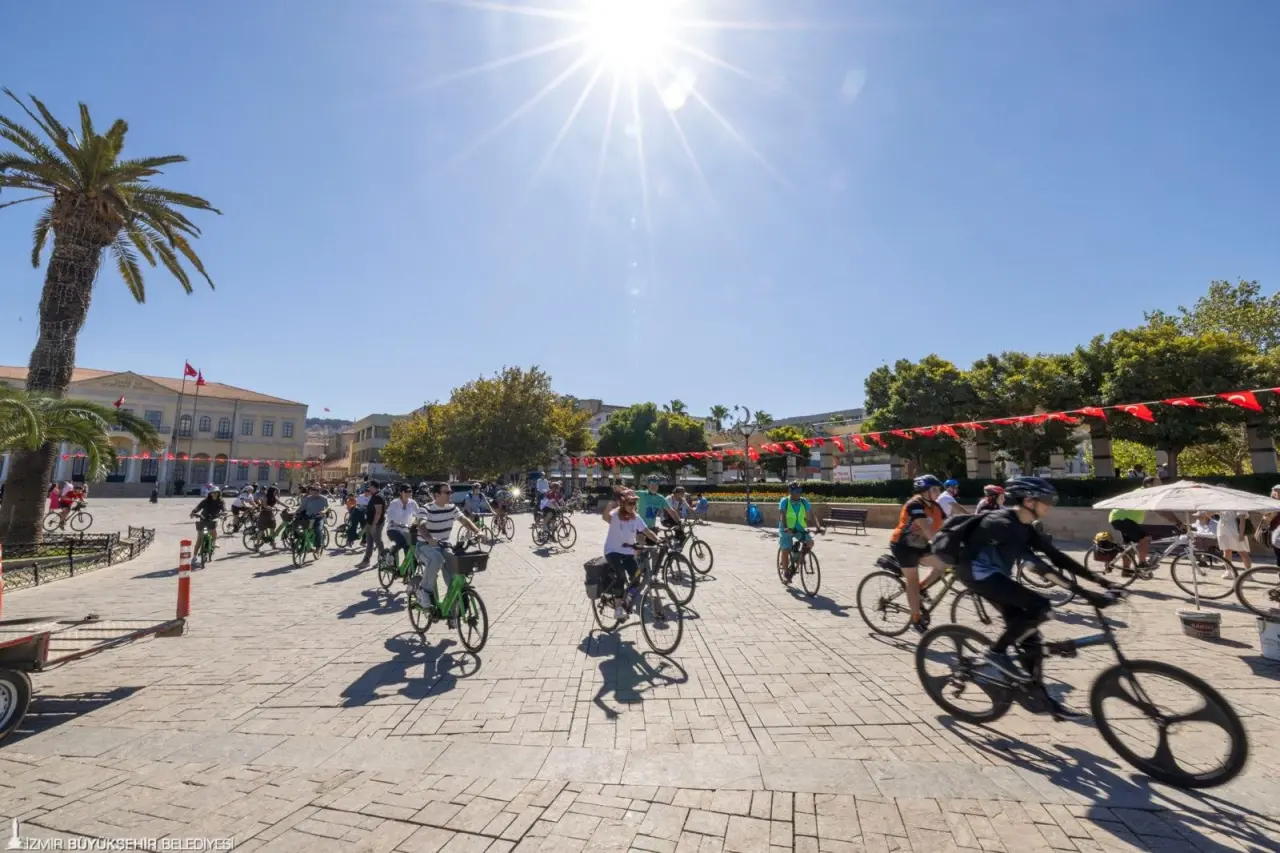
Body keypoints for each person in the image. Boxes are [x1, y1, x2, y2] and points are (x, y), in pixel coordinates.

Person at [959, 476, 1118, 719]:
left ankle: (1040, 697)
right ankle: (996, 653)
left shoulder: (1026, 526)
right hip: (976, 575)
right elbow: (1038, 566)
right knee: (1039, 604)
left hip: (995, 575)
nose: (1051, 505)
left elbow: (1057, 558)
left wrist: (1100, 581)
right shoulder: (1002, 523)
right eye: (1047, 500)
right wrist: (1087, 595)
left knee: (1031, 638)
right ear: (1029, 501)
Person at [411, 483, 482, 626]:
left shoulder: (452, 508)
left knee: (456, 571)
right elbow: (421, 525)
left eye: (450, 492)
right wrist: (429, 539)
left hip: (443, 545)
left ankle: (451, 610)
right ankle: (424, 591)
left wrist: (478, 531)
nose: (450, 495)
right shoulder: (426, 509)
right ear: (436, 494)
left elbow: (464, 520)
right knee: (436, 559)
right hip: (424, 546)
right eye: (447, 492)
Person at [888, 475, 947, 632]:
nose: (938, 492)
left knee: (944, 564)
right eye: (934, 489)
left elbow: (947, 525)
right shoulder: (915, 504)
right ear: (924, 491)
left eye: (938, 489)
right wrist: (941, 544)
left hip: (920, 545)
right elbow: (926, 529)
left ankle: (921, 589)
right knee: (912, 579)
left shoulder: (935, 507)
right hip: (903, 546)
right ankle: (915, 617)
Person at [601, 488, 661, 619]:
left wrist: (659, 540)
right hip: (613, 551)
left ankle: (625, 601)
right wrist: (608, 506)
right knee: (621, 576)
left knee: (636, 578)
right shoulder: (616, 514)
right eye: (629, 503)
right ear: (622, 504)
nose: (632, 506)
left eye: (634, 503)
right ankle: (618, 609)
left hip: (628, 552)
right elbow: (606, 517)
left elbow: (646, 531)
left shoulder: (636, 517)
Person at [778, 480, 823, 577]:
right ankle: (786, 571)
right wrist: (786, 527)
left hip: (800, 529)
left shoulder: (804, 501)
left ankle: (797, 556)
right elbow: (782, 515)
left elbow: (812, 514)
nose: (798, 493)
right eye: (796, 491)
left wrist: (818, 527)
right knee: (785, 548)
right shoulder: (785, 501)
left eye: (800, 491)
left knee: (810, 543)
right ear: (790, 492)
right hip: (787, 529)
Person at [385, 484, 420, 566]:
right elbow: (389, 515)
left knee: (410, 550)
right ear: (401, 492)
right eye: (406, 491)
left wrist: (421, 521)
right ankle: (391, 554)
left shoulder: (412, 503)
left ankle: (407, 572)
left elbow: (419, 514)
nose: (409, 493)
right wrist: (393, 521)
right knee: (402, 541)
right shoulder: (394, 503)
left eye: (410, 491)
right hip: (393, 529)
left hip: (406, 530)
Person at [357, 481, 387, 568]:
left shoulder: (378, 496)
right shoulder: (374, 495)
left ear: (373, 487)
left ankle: (382, 560)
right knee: (369, 542)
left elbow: (378, 512)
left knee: (378, 542)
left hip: (376, 524)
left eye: (369, 486)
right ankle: (366, 561)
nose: (368, 488)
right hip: (370, 522)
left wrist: (374, 524)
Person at [1217, 508, 1252, 575]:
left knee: (1242, 551)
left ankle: (1248, 573)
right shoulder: (1221, 503)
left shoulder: (1238, 502)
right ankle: (1228, 571)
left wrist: (1241, 534)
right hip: (1223, 529)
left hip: (1235, 529)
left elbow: (1242, 519)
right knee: (1226, 550)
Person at [189, 488, 225, 554]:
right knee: (199, 539)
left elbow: (224, 509)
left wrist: (224, 513)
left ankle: (214, 542)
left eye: (216, 493)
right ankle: (194, 556)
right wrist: (193, 512)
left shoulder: (221, 501)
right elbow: (198, 507)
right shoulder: (206, 501)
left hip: (215, 518)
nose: (214, 494)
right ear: (210, 493)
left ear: (218, 493)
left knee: (213, 528)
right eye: (213, 493)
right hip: (203, 518)